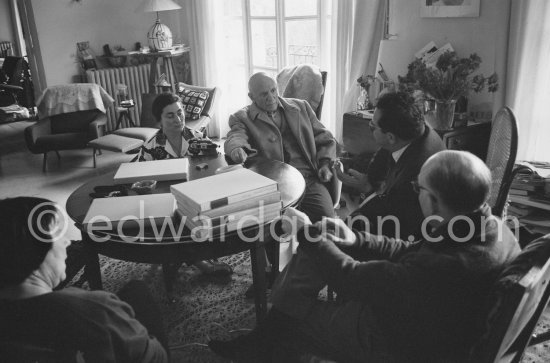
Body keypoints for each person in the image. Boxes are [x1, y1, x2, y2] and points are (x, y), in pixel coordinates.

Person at [208, 150, 521, 363]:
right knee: (316, 255)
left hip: (396, 342)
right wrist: (354, 237)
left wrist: (307, 234)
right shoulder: (485, 225)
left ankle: (270, 338)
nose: (416, 193)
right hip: (427, 318)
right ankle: (268, 335)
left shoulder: (443, 267)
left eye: (418, 188)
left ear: (435, 201)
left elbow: (351, 278)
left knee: (295, 316)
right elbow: (407, 250)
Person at [0, 197, 168, 362]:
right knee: (137, 290)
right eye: (58, 235)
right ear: (34, 251)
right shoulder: (94, 309)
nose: (67, 242)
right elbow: (157, 358)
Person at [135, 93, 232, 276]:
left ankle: (196, 255)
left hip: (196, 198)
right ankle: (202, 264)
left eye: (179, 113)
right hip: (165, 202)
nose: (178, 119)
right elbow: (139, 181)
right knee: (176, 223)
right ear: (159, 120)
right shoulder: (150, 147)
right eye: (170, 115)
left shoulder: (197, 137)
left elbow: (217, 166)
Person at [224, 72, 337, 223]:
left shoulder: (302, 107)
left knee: (327, 222)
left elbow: (326, 138)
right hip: (273, 187)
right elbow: (235, 136)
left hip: (308, 179)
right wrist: (237, 148)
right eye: (264, 94)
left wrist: (325, 163)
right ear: (251, 97)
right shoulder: (241, 117)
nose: (271, 97)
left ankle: (310, 246)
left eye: (273, 90)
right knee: (270, 230)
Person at [336, 91, 445, 240]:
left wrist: (367, 190)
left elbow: (391, 225)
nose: (370, 128)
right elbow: (384, 153)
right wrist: (370, 178)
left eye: (372, 127)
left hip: (413, 237)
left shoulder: (411, 179)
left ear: (391, 137)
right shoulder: (418, 128)